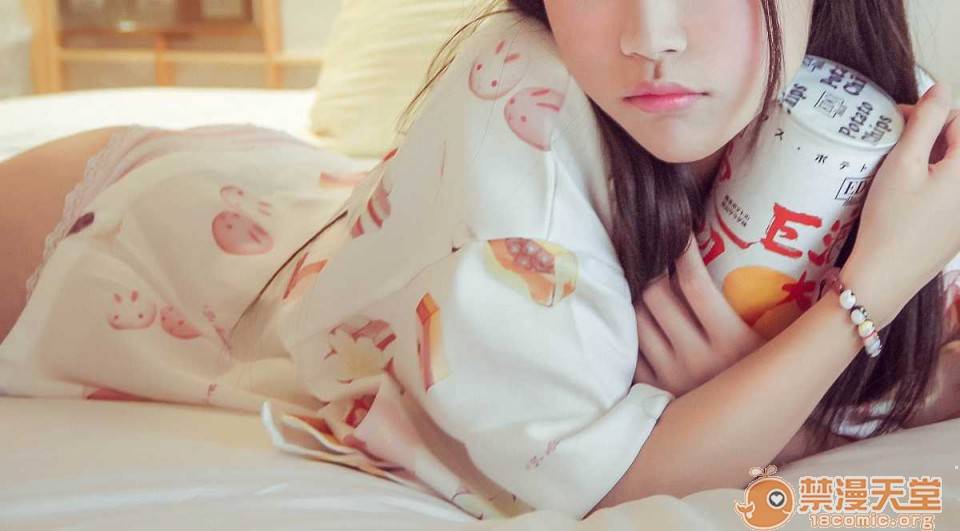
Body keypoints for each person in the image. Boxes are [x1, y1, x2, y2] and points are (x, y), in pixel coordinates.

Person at [1, 0, 959, 522]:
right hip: (124, 241)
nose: (651, 36)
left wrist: (762, 389)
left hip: (301, 204)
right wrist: (866, 296)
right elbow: (611, 480)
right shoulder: (522, 92)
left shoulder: (875, 116)